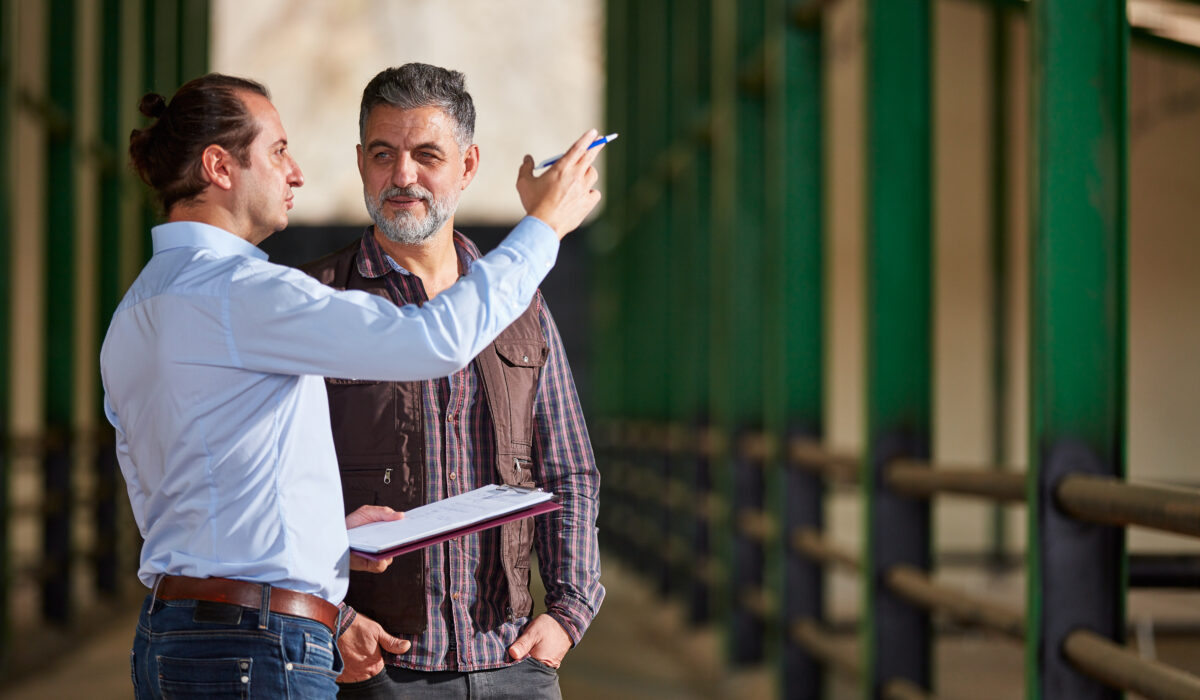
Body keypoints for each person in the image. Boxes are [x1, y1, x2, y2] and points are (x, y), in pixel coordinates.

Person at [100, 72, 603, 699]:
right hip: (261, 647)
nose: (296, 173)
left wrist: (326, 537)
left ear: (467, 165)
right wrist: (544, 225)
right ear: (219, 167)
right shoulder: (251, 296)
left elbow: (186, 502)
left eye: (427, 155)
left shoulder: (136, 309)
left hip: (178, 637)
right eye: (278, 151)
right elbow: (434, 341)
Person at [300, 63, 604, 699]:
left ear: (467, 166)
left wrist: (569, 611)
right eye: (383, 154)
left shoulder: (521, 304)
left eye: (426, 155)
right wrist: (333, 619)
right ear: (360, 163)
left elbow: (568, 468)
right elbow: (272, 485)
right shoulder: (313, 303)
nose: (402, 176)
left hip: (512, 662)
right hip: (375, 667)